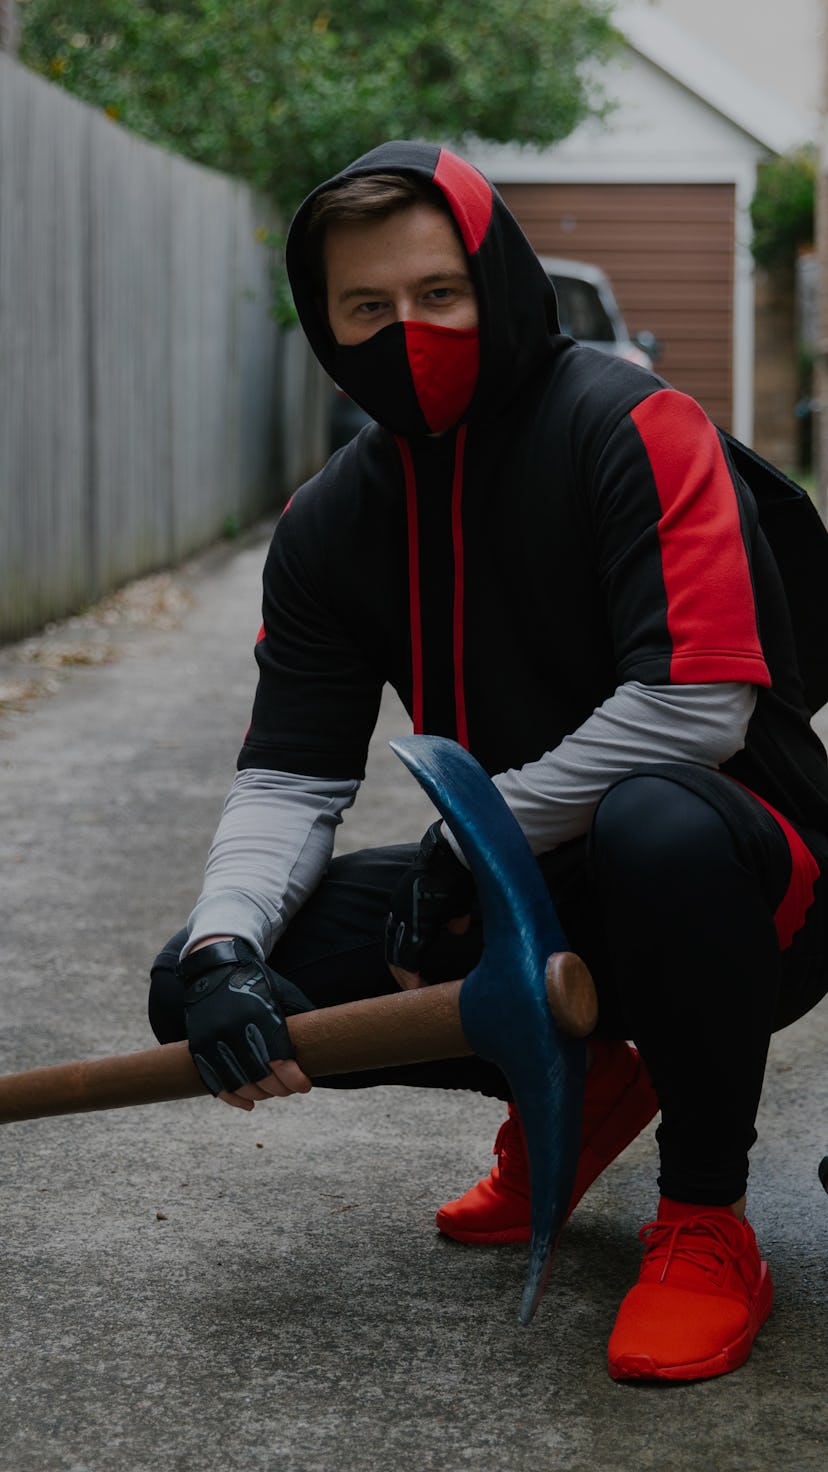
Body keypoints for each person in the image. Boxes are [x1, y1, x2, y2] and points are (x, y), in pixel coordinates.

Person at [148, 141, 828, 1383]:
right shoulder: (328, 520)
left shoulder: (632, 421)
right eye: (367, 308)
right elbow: (292, 777)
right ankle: (584, 1075)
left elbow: (698, 708)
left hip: (750, 882)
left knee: (654, 826)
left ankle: (706, 1218)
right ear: (327, 326)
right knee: (214, 986)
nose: (406, 332)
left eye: (438, 295)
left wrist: (475, 834)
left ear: (500, 283)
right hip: (531, 888)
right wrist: (221, 949)